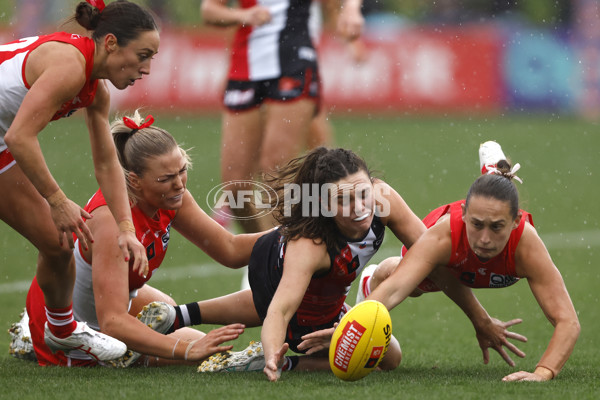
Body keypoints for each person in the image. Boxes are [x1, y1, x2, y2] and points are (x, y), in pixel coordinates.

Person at [133, 146, 522, 381]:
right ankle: (267, 364)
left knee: (278, 273)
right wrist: (273, 351)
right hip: (283, 271)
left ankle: (179, 315)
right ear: (322, 204)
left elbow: (435, 262)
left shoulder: (384, 200)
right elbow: (281, 308)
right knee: (388, 357)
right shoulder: (311, 244)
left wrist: (481, 319)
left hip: (307, 272)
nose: (358, 209)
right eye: (342, 201)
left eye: (362, 194)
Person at [306, 141, 581, 382]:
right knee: (400, 280)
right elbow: (395, 290)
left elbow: (567, 321)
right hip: (445, 265)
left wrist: (543, 372)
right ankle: (374, 275)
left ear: (516, 222)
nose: (484, 238)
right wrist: (348, 328)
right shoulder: (444, 235)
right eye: (476, 224)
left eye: (497, 227)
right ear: (462, 214)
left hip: (466, 264)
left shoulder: (526, 244)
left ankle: (494, 169)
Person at [12, 111, 268, 367]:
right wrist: (186, 350)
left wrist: (290, 233)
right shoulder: (111, 224)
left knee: (165, 309)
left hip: (107, 307)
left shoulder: (171, 196)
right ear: (134, 181)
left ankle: (128, 346)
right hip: (78, 332)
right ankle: (33, 336)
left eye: (182, 171)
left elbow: (230, 250)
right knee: (199, 355)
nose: (179, 184)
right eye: (166, 179)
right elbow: (112, 322)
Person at [1, 0, 157, 361]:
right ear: (112, 43)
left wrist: (126, 229)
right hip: (6, 138)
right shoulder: (70, 66)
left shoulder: (95, 88)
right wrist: (57, 200)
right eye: (143, 55)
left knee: (58, 243)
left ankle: (62, 331)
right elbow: (20, 137)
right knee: (59, 232)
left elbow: (106, 162)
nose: (147, 69)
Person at [200, 0, 366, 234]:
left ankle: (299, 247)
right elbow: (209, 11)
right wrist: (243, 15)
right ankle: (261, 252)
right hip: (244, 66)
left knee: (276, 171)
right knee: (235, 186)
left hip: (295, 61)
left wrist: (351, 11)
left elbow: (335, 6)